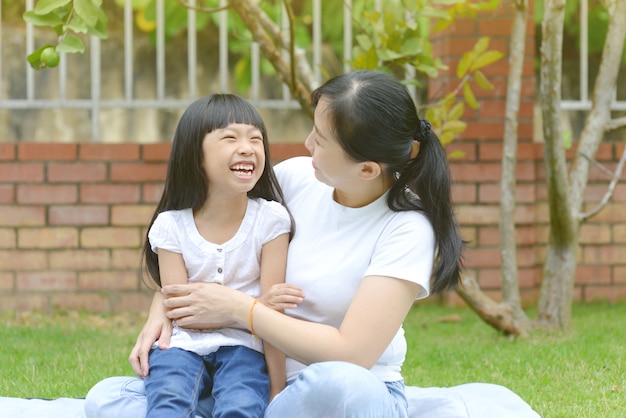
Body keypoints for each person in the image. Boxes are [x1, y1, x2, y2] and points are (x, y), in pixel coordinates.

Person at [85, 70, 539, 418]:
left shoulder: (407, 228)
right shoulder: (298, 178)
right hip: (252, 376)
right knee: (106, 398)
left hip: (338, 393)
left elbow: (352, 355)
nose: (305, 145)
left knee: (343, 387)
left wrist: (239, 310)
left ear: (367, 169)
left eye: (319, 141)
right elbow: (210, 239)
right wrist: (163, 307)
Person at [136, 93, 293, 418]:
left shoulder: (271, 220)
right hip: (180, 346)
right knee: (168, 400)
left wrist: (278, 390)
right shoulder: (171, 226)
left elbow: (273, 318)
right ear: (195, 155)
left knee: (242, 405)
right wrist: (252, 309)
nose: (248, 147)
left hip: (244, 348)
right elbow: (183, 314)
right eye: (230, 138)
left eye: (256, 139)